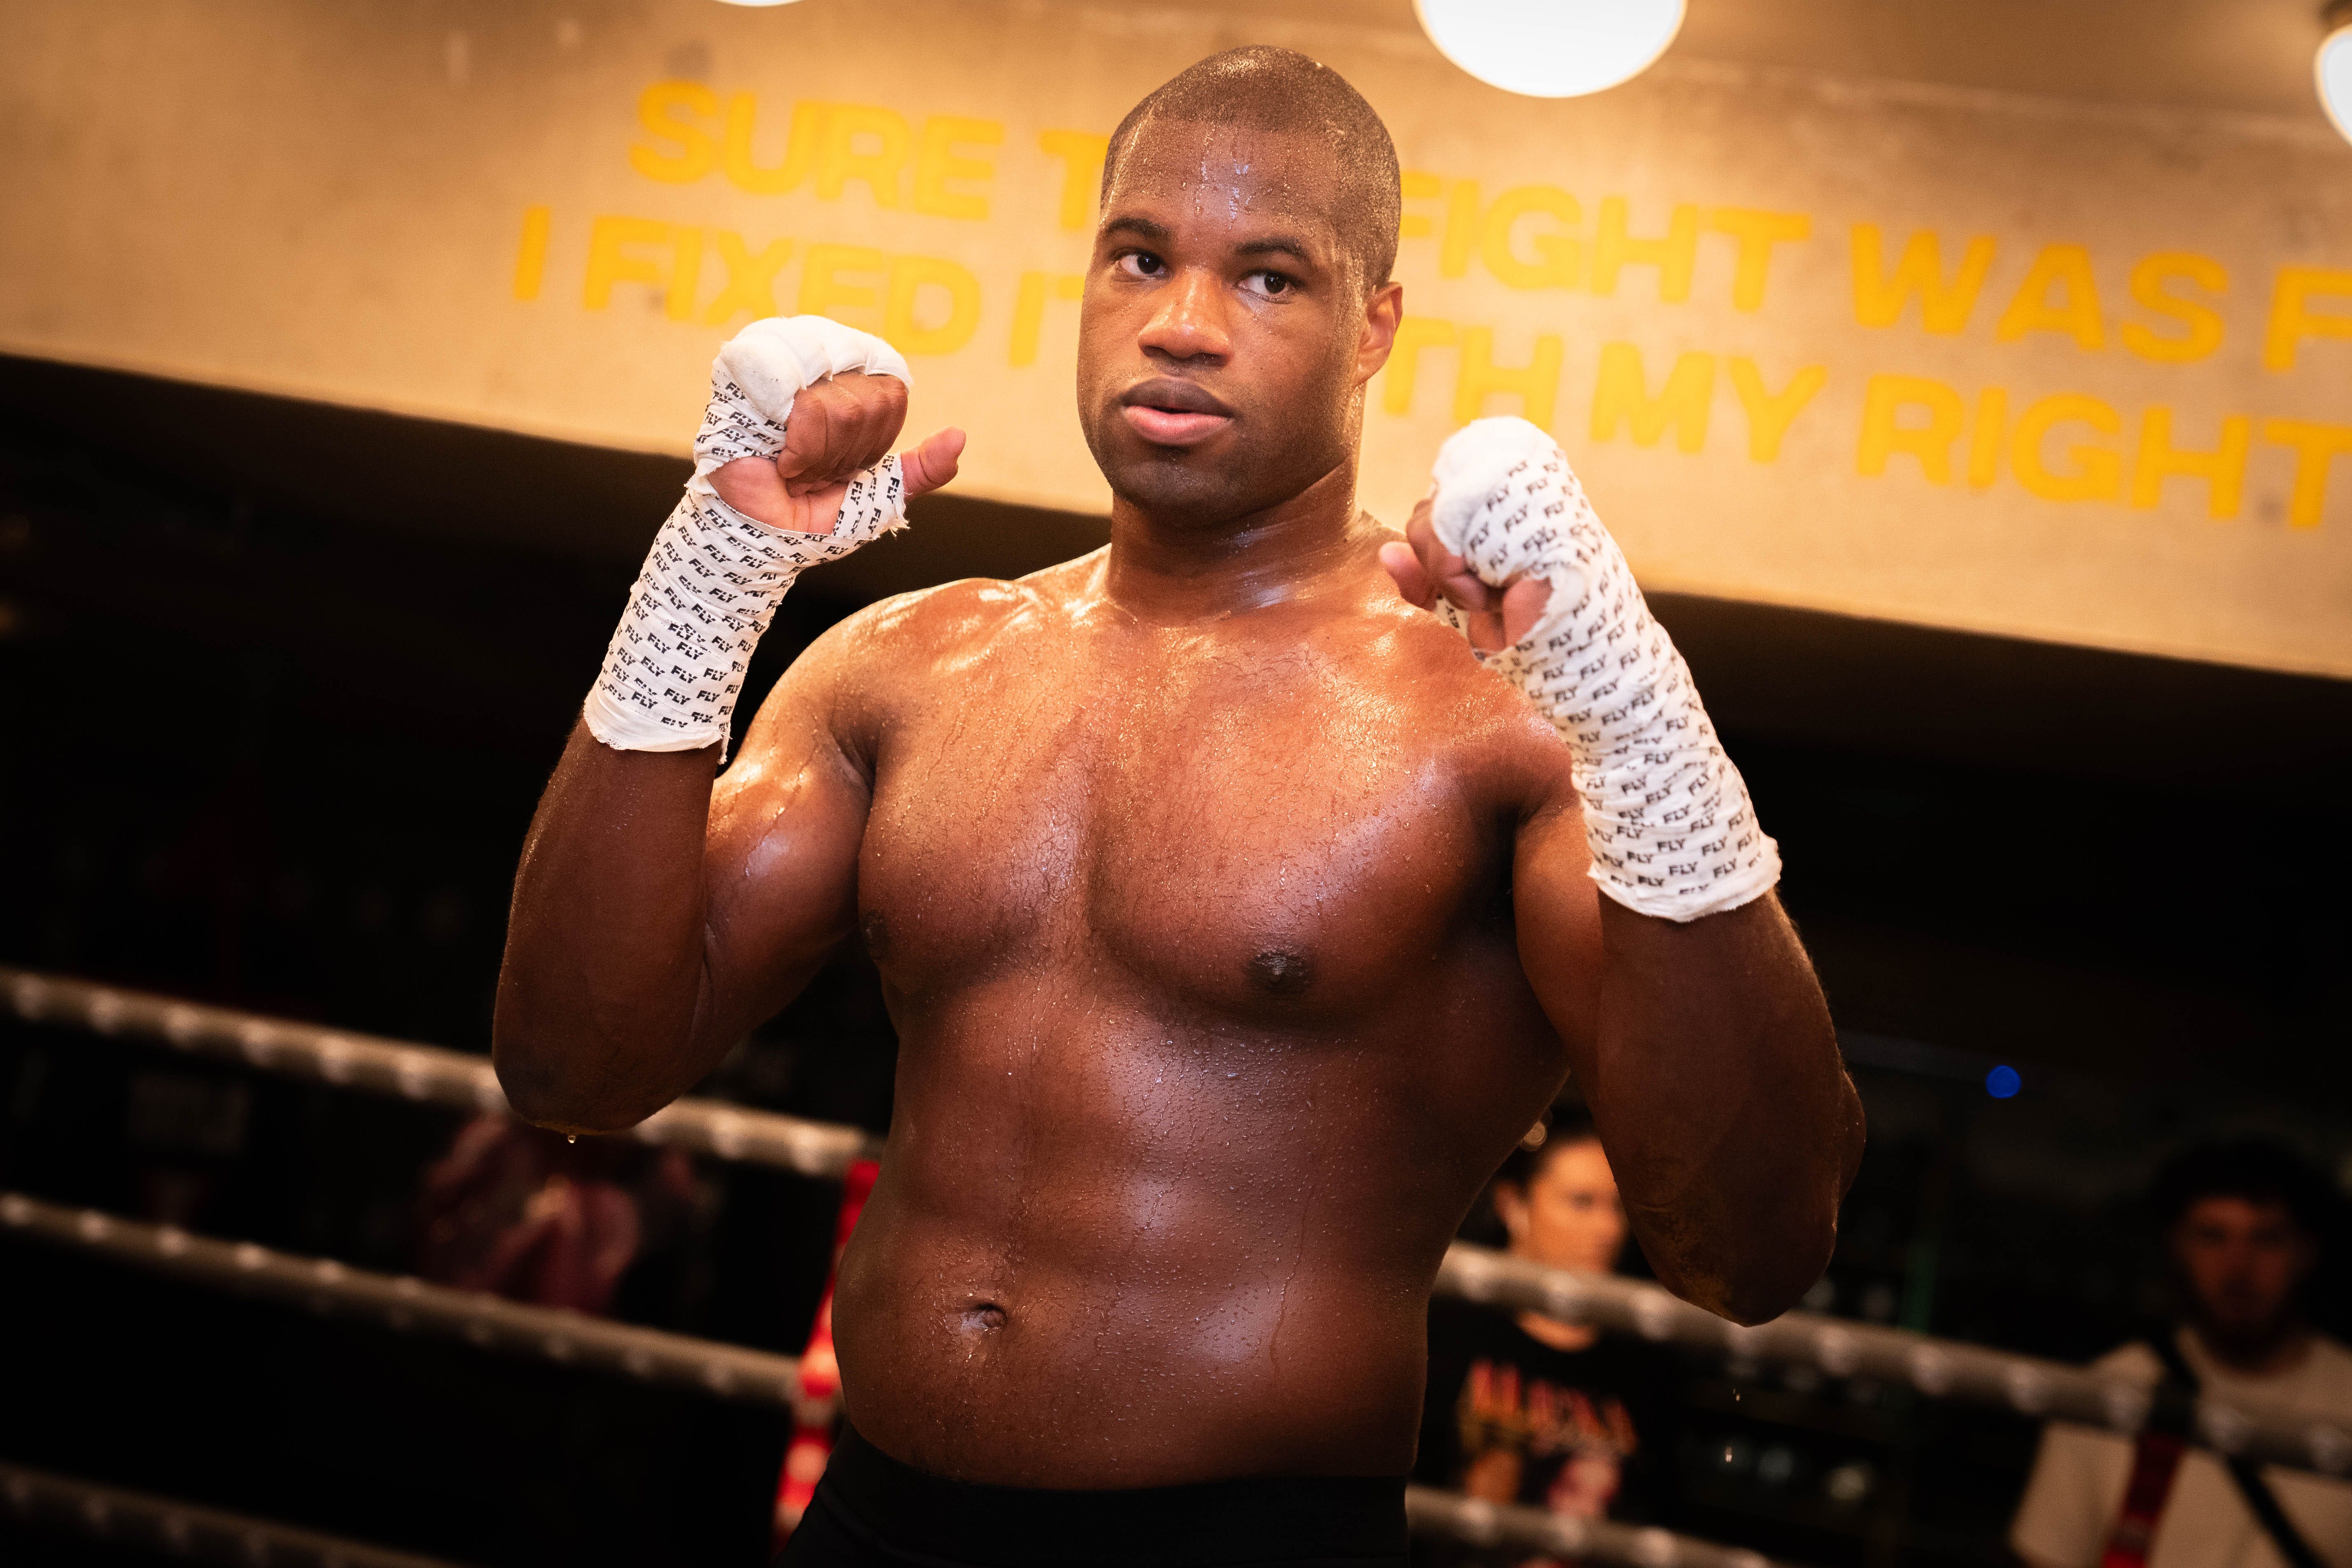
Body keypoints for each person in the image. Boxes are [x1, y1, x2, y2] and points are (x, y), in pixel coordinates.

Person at [493, 44, 1864, 1568]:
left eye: (1269, 278)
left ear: (1375, 325)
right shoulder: (909, 667)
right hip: (872, 1522)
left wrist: (1639, 721)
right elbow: (570, 1064)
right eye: (1140, 258)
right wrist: (703, 580)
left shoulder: (1494, 732)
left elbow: (1756, 1247)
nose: (1184, 325)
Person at [2011, 1140, 2352, 1568]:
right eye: (2213, 1236)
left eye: (2267, 1239)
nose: (2238, 1266)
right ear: (2177, 1246)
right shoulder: (2108, 1388)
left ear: (2306, 1252)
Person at [1417, 1109, 1680, 1559]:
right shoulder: (1447, 1330)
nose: (1608, 1229)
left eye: (1617, 1207)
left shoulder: (1646, 1362)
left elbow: (1655, 1515)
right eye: (1581, 1201)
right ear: (1513, 1206)